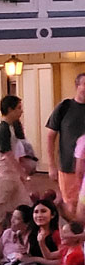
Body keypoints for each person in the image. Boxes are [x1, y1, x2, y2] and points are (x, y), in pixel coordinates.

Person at [0, 95, 32, 235]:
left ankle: (23, 237)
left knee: (24, 206)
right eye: (18, 108)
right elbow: (7, 154)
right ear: (10, 109)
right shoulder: (3, 128)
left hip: (10, 177)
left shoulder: (8, 128)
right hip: (3, 177)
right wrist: (23, 173)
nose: (21, 111)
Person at [45, 73, 85, 208]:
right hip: (68, 167)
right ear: (77, 86)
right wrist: (51, 165)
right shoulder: (64, 107)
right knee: (72, 204)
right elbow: (50, 137)